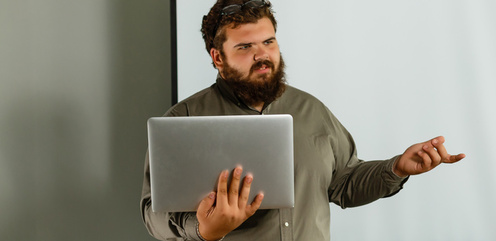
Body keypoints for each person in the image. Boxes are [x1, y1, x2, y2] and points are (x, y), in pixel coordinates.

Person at [140, 0, 466, 240]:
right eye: (245, 47)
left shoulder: (311, 110)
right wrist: (202, 229)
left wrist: (397, 167)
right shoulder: (182, 120)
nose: (262, 54)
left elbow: (345, 184)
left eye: (269, 42)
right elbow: (154, 213)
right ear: (218, 58)